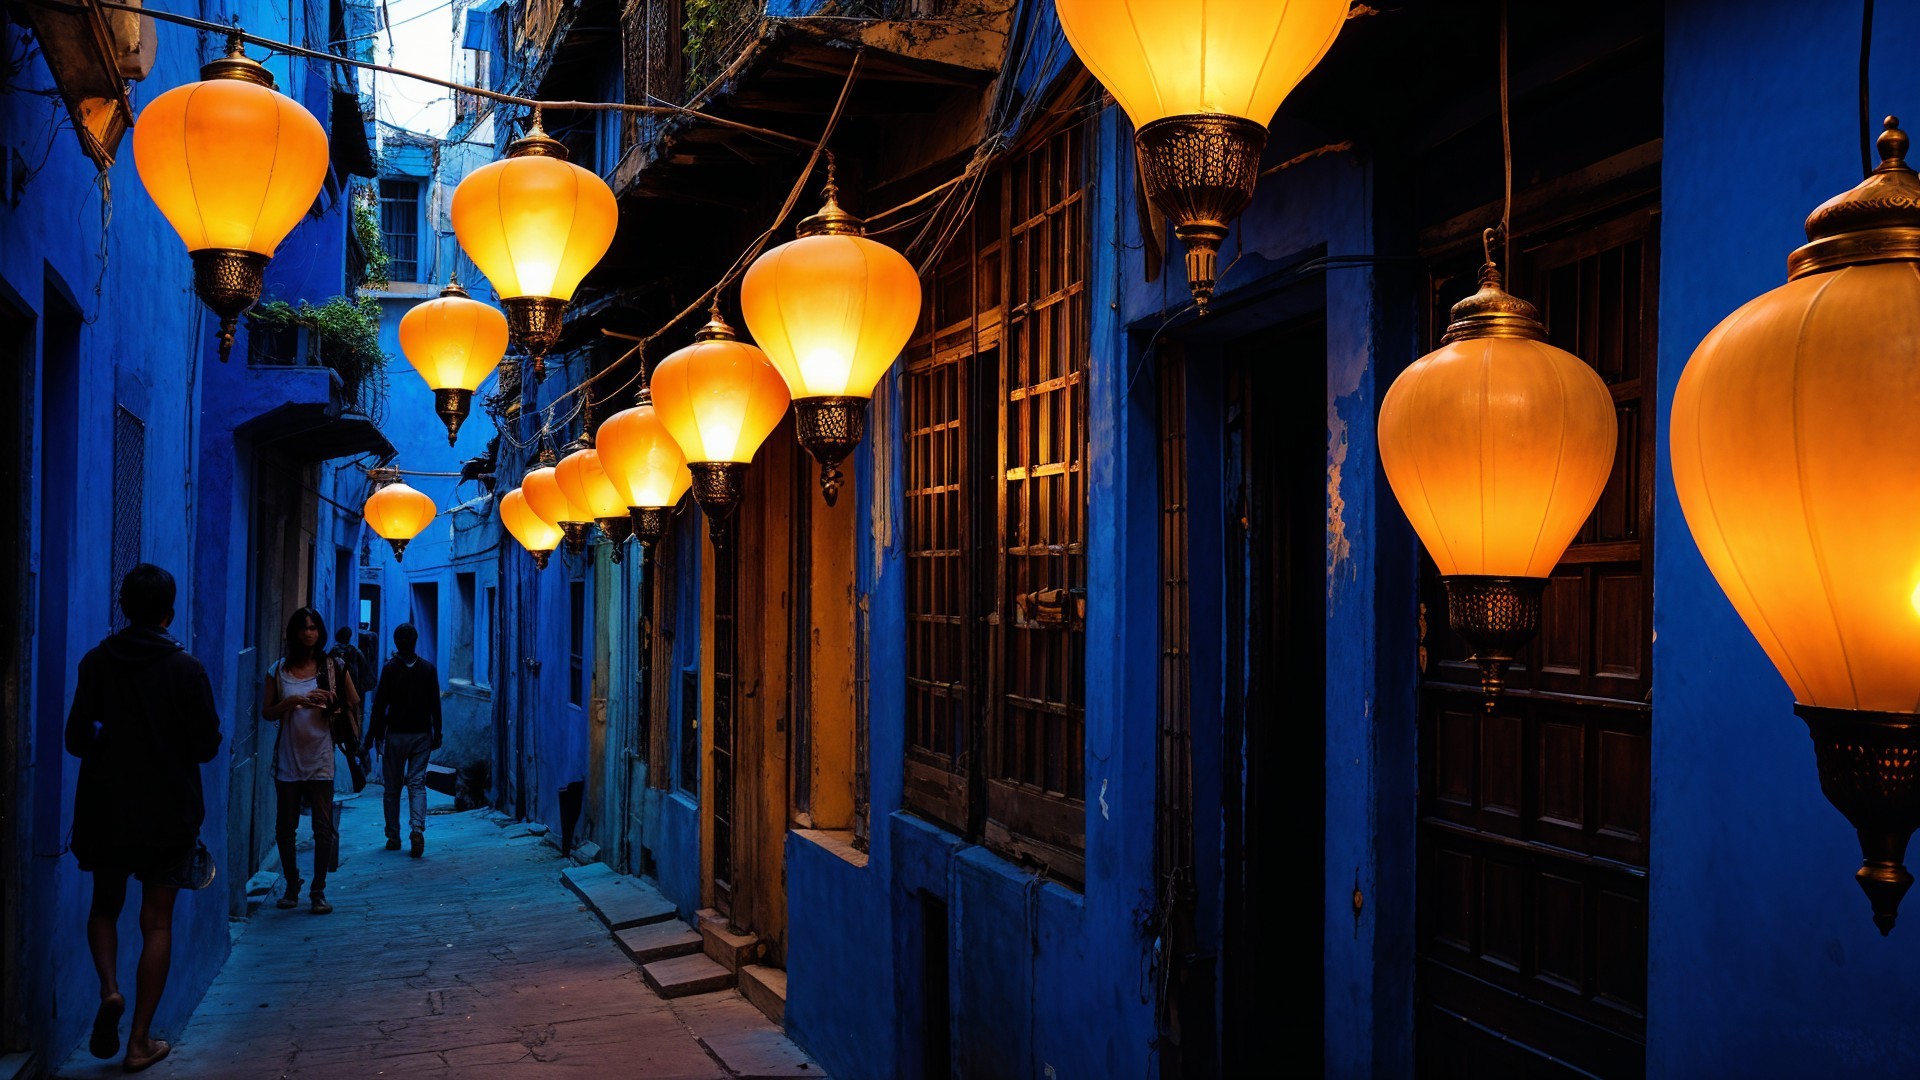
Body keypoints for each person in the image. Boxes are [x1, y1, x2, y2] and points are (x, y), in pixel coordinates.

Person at [65, 564, 222, 1073]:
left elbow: (75, 739)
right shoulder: (186, 669)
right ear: (168, 611)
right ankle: (138, 1041)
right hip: (168, 814)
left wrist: (109, 736)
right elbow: (205, 747)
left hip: (106, 809)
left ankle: (110, 989)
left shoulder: (96, 663)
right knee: (156, 921)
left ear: (123, 606)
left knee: (104, 906)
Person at [262, 607, 359, 914]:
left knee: (323, 827)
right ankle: (292, 884)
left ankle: (318, 891)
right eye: (304, 628)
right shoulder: (278, 670)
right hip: (289, 758)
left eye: (314, 627)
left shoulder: (333, 667)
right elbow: (266, 712)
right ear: (294, 633)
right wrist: (290, 702)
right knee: (285, 827)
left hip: (321, 757)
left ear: (321, 632)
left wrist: (332, 704)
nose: (309, 633)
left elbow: (352, 705)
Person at [367, 622, 441, 858]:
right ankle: (417, 828)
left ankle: (393, 836)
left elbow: (379, 706)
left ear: (396, 643)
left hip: (396, 734)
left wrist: (373, 736)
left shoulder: (390, 669)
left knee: (392, 788)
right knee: (417, 783)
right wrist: (437, 732)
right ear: (415, 641)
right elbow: (435, 705)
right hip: (421, 734)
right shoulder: (428, 669)